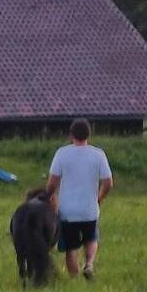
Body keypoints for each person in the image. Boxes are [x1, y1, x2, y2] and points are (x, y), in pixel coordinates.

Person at [45, 118, 114, 280]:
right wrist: (100, 197)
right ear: (89, 135)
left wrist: (47, 197)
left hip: (68, 211)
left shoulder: (62, 153)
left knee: (71, 248)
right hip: (89, 209)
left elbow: (52, 183)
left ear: (71, 135)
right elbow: (108, 183)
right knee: (91, 238)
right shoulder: (98, 154)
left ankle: (74, 280)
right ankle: (89, 264)